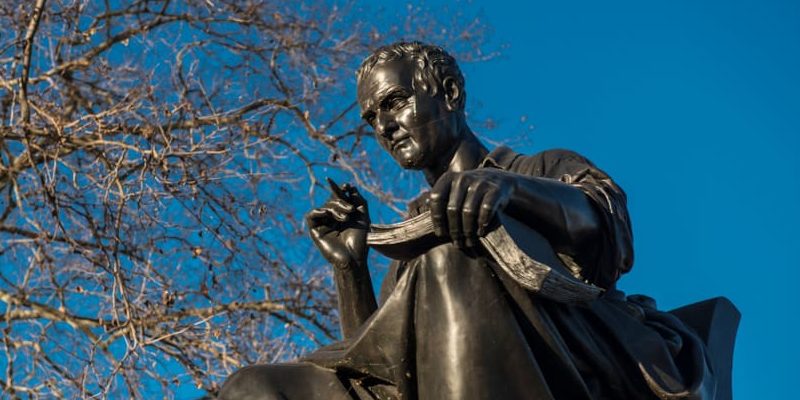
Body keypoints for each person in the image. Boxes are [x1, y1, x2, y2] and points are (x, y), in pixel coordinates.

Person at [219, 41, 715, 400]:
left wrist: (509, 189)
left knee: (450, 259)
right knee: (250, 388)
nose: (384, 126)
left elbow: (606, 228)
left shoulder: (536, 170)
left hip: (565, 361)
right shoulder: (413, 246)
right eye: (372, 118)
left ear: (450, 93)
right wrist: (350, 269)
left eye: (395, 102)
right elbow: (379, 365)